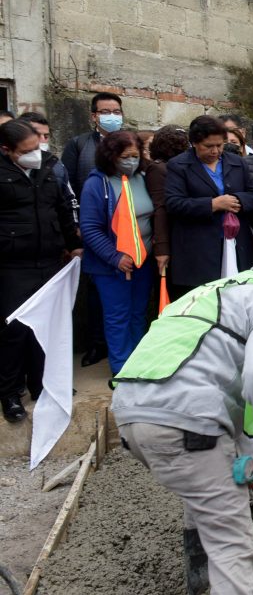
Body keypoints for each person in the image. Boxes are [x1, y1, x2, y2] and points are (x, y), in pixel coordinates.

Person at [110, 252, 253, 595]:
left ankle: (200, 588)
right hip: (185, 422)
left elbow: (235, 407)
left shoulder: (210, 293)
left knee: (203, 491)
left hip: (131, 416)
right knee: (233, 544)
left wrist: (248, 471)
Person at [0, 121, 81, 422]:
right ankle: (9, 393)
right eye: (27, 151)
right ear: (7, 151)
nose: (36, 154)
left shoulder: (49, 165)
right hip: (13, 264)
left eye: (38, 146)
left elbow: (62, 207)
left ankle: (42, 384)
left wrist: (73, 244)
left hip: (49, 259)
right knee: (15, 330)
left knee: (47, 326)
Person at [80, 131, 155, 374]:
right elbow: (90, 228)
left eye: (135, 155)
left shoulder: (142, 177)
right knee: (117, 317)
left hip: (143, 259)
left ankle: (139, 363)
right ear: (111, 156)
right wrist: (115, 257)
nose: (131, 161)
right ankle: (122, 369)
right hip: (111, 265)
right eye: (125, 156)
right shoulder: (96, 183)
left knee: (138, 313)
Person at [165, 115, 253, 297]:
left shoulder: (237, 162)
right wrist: (212, 204)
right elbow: (174, 203)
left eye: (220, 145)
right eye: (208, 146)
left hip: (235, 244)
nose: (215, 151)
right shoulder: (178, 165)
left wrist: (237, 200)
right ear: (194, 143)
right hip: (198, 249)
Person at [62, 92, 125, 367]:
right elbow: (67, 188)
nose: (112, 116)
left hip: (126, 230)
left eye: (116, 111)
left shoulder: (128, 143)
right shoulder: (79, 145)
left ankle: (123, 345)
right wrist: (75, 226)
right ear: (94, 116)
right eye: (105, 111)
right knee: (96, 290)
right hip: (92, 228)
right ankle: (97, 343)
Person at [144, 126, 190, 284]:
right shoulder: (158, 169)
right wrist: (162, 247)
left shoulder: (184, 168)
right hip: (170, 235)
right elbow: (160, 208)